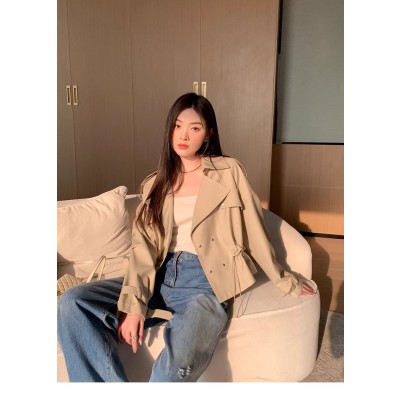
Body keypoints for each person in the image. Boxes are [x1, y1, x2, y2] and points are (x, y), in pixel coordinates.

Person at [57, 92, 316, 382]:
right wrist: (134, 304)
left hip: (205, 283)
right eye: (177, 126)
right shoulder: (155, 183)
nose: (183, 136)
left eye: (195, 128)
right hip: (159, 276)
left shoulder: (228, 172)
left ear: (208, 134)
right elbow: (143, 250)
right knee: (72, 303)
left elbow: (255, 229)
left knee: (176, 366)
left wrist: (285, 280)